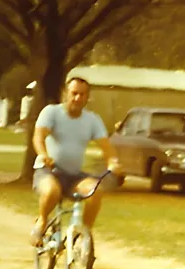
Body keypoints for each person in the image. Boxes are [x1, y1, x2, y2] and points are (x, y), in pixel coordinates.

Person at [30, 76, 123, 247]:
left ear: (88, 97)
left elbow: (107, 148)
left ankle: (84, 235)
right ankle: (42, 221)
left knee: (95, 190)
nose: (77, 98)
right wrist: (43, 155)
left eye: (82, 94)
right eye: (74, 93)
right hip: (48, 172)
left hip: (73, 175)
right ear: (66, 93)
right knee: (51, 191)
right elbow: (38, 137)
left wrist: (113, 163)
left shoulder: (92, 120)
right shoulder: (52, 112)